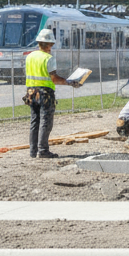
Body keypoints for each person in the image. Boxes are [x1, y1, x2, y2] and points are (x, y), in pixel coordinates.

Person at [23, 28, 81, 159]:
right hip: (45, 93)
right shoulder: (49, 58)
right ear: (50, 44)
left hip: (31, 92)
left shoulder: (30, 56)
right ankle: (43, 150)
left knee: (35, 121)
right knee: (45, 122)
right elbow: (54, 79)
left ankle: (33, 151)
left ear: (39, 43)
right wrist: (69, 82)